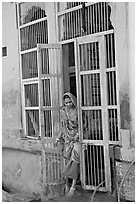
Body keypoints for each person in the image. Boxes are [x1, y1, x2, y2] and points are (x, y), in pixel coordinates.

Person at [55, 92, 87, 196]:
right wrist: (58, 137)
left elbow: (85, 124)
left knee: (75, 161)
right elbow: (63, 126)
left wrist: (78, 135)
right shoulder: (63, 112)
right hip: (67, 138)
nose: (68, 104)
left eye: (70, 102)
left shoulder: (79, 111)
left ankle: (73, 186)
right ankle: (66, 185)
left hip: (78, 138)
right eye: (66, 103)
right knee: (67, 160)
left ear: (73, 101)